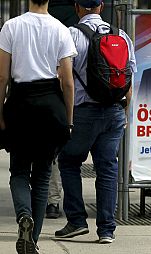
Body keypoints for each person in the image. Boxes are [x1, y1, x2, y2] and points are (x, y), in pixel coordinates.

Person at [55, 0, 136, 244]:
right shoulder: (120, 35)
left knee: (69, 162)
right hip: (114, 111)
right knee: (108, 168)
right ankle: (107, 230)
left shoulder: (71, 35)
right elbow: (130, 75)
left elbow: (63, 78)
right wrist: (124, 111)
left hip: (82, 112)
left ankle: (77, 221)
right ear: (101, 7)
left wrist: (67, 117)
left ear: (78, 8)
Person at [0, 0, 76, 252]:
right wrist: (68, 119)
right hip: (50, 104)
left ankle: (24, 216)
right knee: (43, 178)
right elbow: (67, 81)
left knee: (19, 172)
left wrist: (0, 113)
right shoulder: (60, 29)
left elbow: (2, 76)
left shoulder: (11, 27)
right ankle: (32, 242)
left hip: (21, 103)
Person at [46, 0, 79, 220]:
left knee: (53, 154)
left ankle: (52, 201)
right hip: (79, 94)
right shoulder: (74, 22)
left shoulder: (49, 17)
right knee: (71, 155)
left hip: (50, 92)